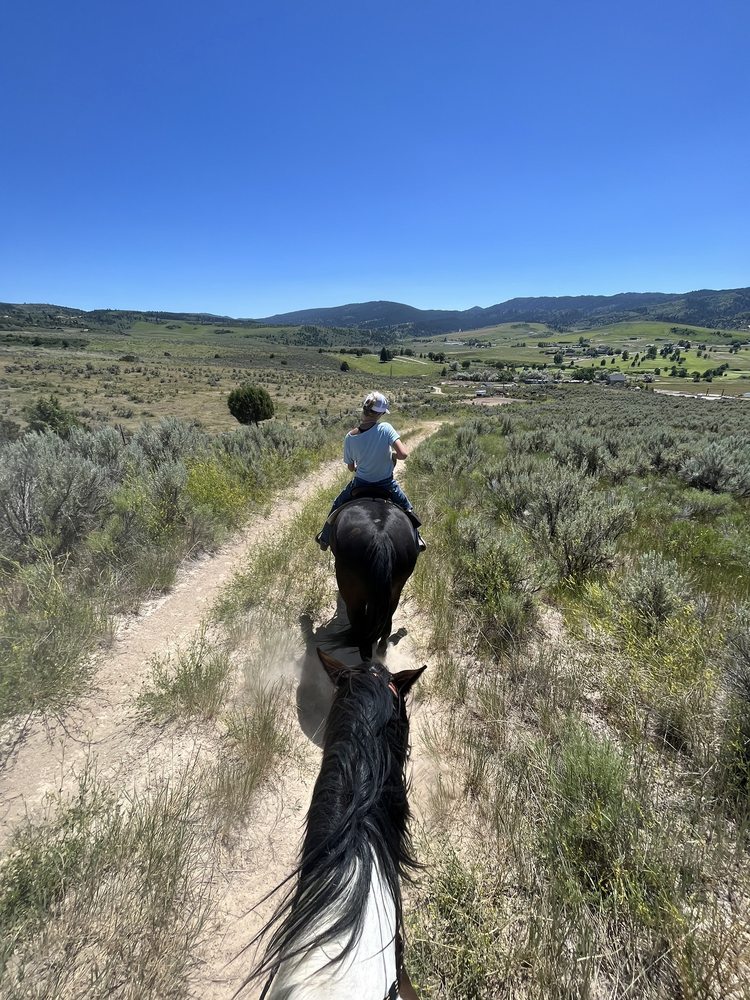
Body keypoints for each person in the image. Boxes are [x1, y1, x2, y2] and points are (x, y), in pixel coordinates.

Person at [316, 391, 425, 551]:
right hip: (386, 485)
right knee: (407, 507)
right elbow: (403, 454)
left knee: (337, 504)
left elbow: (351, 467)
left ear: (364, 410)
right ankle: (418, 539)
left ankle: (325, 538)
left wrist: (359, 466)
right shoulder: (386, 428)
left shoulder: (350, 437)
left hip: (360, 483)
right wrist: (391, 455)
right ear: (380, 413)